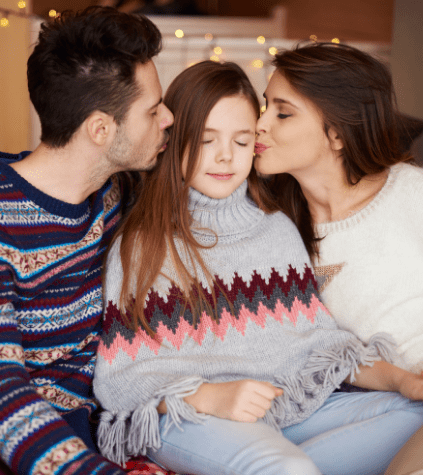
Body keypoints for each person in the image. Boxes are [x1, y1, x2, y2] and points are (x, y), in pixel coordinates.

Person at [93, 59, 423, 475]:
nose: (225, 156)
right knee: (286, 468)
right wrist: (209, 396)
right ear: (175, 141)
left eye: (242, 140)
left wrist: (403, 381)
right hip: (189, 417)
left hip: (285, 409)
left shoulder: (277, 229)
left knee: (413, 414)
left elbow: (314, 348)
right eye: (206, 140)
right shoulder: (143, 242)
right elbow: (122, 377)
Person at [0, 6, 173, 475]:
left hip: (99, 432)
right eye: (152, 109)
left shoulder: (109, 193)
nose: (168, 118)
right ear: (100, 130)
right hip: (5, 449)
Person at [254, 42, 423, 475]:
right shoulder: (273, 232)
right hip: (383, 406)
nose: (260, 124)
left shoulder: (412, 192)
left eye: (282, 112)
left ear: (337, 133)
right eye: (264, 106)